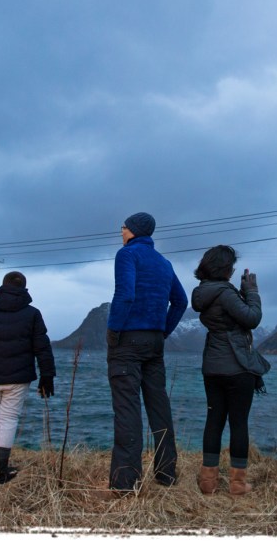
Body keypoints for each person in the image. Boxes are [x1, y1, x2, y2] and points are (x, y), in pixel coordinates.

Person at [103, 212, 188, 494]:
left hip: (128, 340)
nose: (121, 231)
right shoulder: (164, 262)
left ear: (134, 230)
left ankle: (125, 483)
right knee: (159, 407)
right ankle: (166, 473)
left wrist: (113, 330)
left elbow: (125, 294)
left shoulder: (127, 255)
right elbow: (180, 301)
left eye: (124, 226)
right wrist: (163, 331)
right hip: (154, 343)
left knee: (127, 409)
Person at [0, 270, 56, 487]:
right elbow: (42, 348)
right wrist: (47, 376)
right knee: (8, 420)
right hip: (18, 379)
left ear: (3, 286)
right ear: (24, 288)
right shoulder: (32, 314)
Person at [190, 244, 262, 495]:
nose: (232, 269)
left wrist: (241, 294)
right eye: (231, 265)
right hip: (237, 366)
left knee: (214, 420)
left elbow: (228, 317)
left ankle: (208, 481)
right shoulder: (225, 293)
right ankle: (237, 484)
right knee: (238, 423)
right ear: (225, 268)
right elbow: (252, 318)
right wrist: (251, 292)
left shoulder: (202, 292)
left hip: (212, 367)